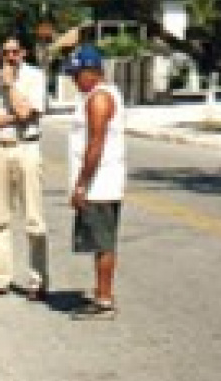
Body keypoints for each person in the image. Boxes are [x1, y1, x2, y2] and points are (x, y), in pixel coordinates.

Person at [0, 36, 49, 300]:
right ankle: (0, 279)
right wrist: (11, 117)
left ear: (23, 53)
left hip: (26, 147)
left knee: (34, 218)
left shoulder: (35, 77)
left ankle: (38, 281)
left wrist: (9, 86)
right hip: (0, 147)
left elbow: (29, 112)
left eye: (15, 52)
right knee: (0, 218)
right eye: (5, 52)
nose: (10, 57)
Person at [66, 44, 125, 320]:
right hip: (100, 183)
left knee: (103, 244)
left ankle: (104, 301)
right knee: (101, 243)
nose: (74, 80)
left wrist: (81, 185)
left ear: (92, 71)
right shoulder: (96, 95)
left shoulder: (99, 99)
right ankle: (102, 293)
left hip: (100, 185)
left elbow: (96, 145)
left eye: (76, 74)